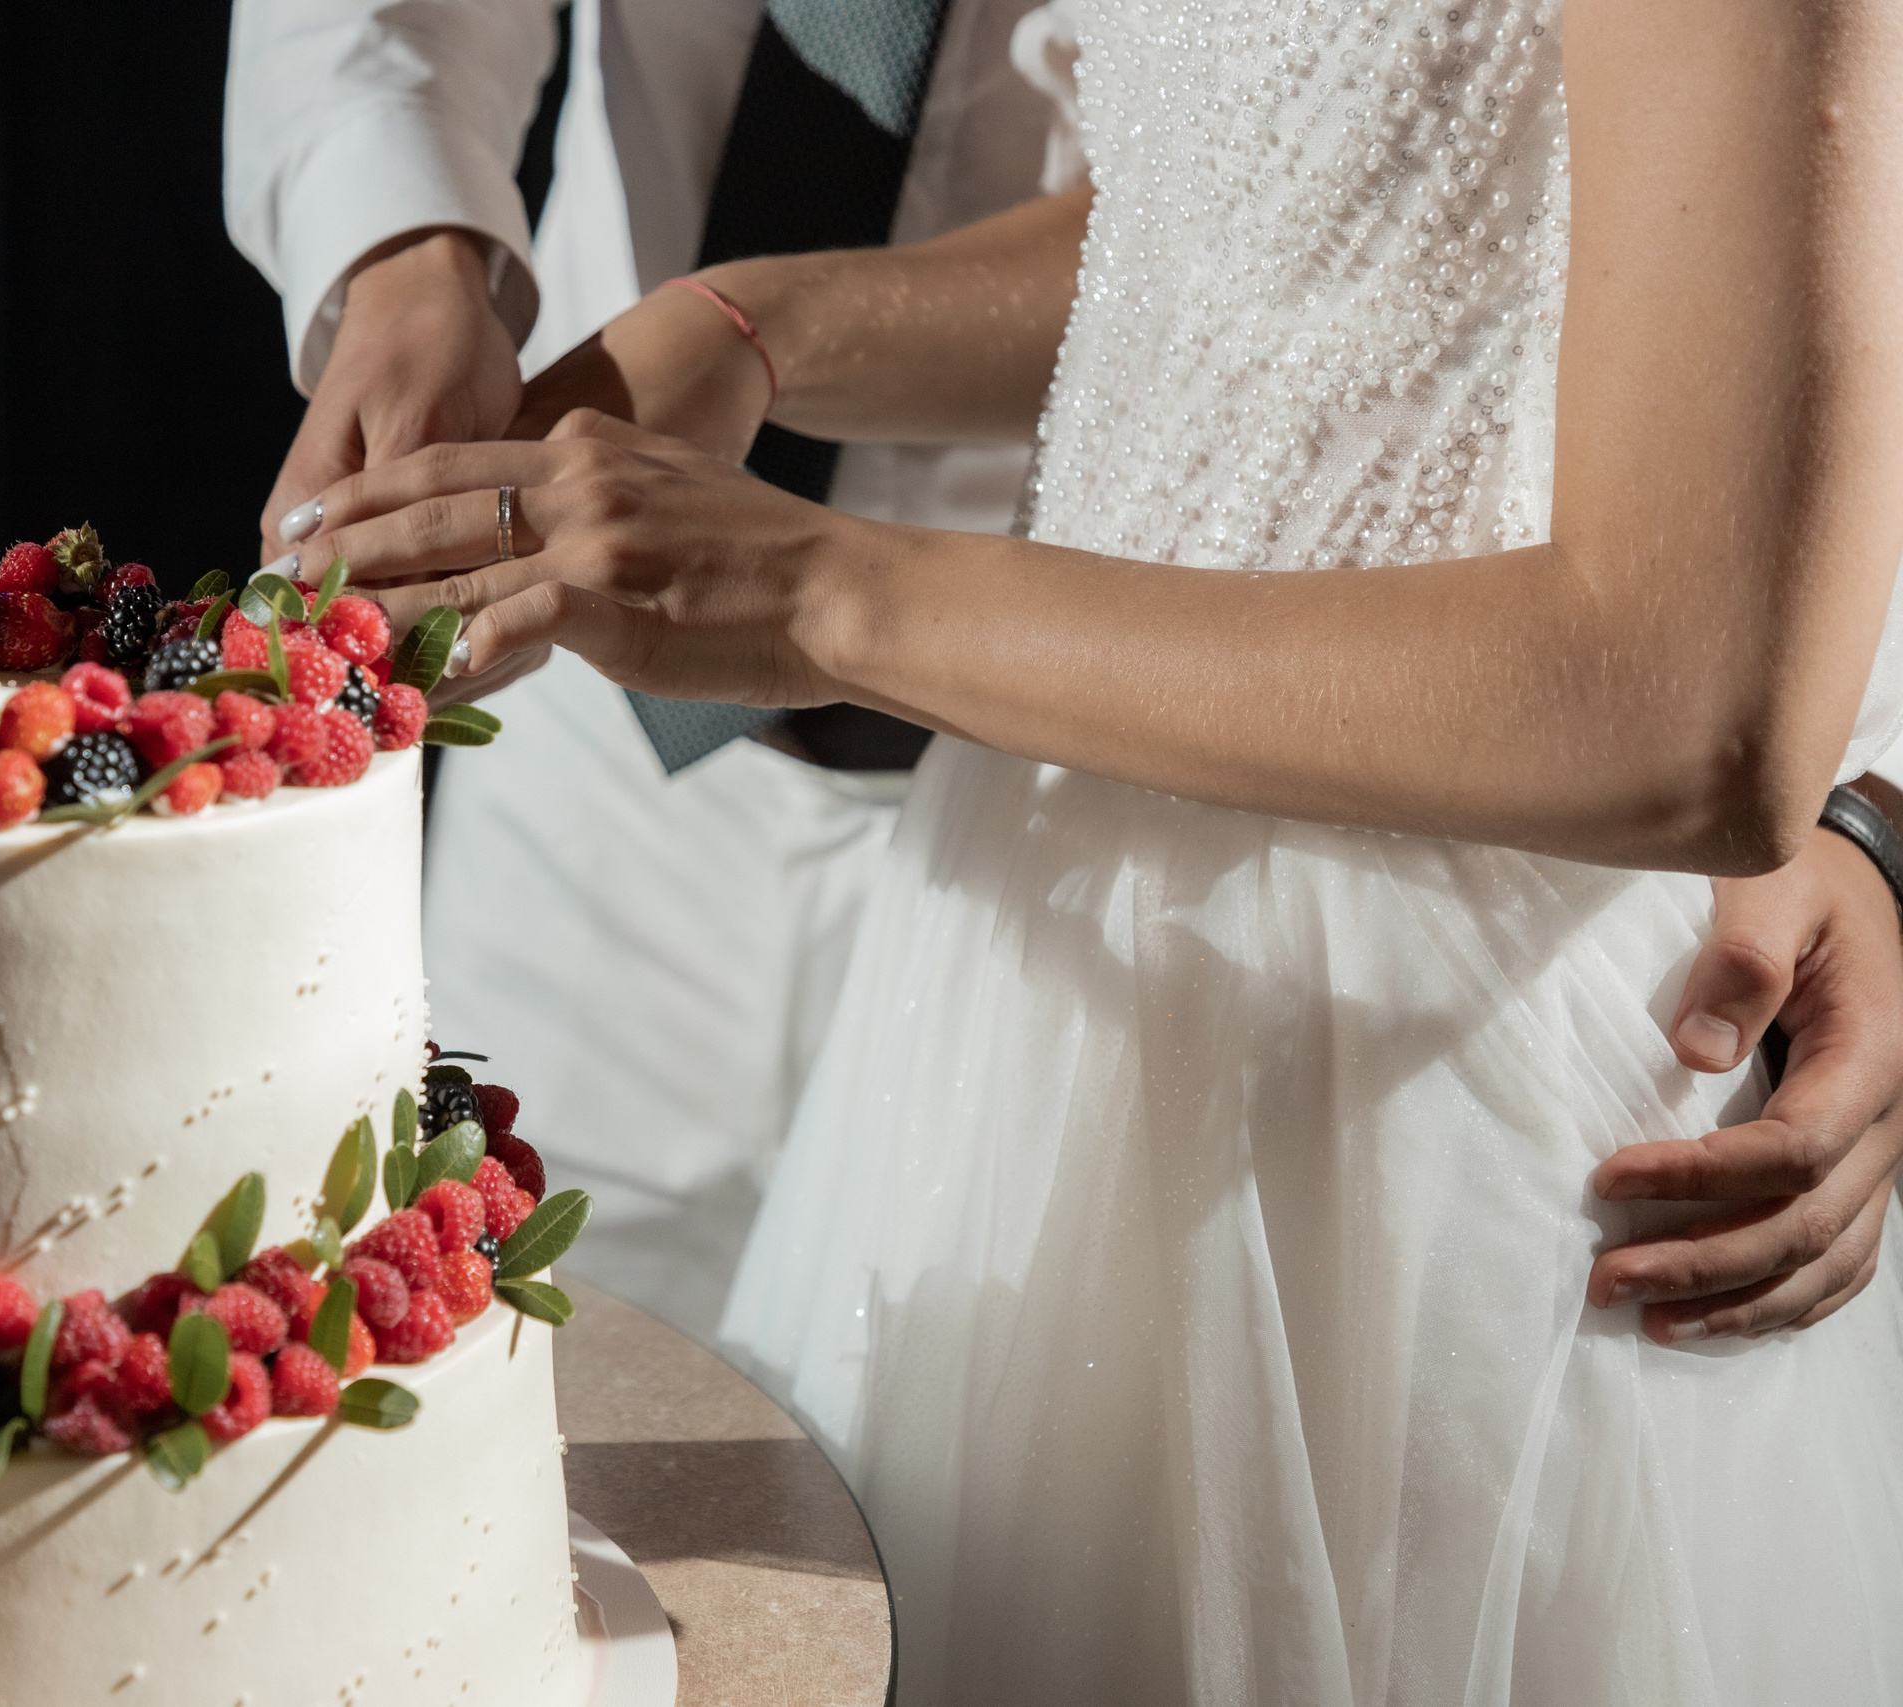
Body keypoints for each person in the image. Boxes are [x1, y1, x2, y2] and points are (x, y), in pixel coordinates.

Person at [267, 0, 1903, 1695]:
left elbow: (1696, 694)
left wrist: (822, 593)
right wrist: (761, 323)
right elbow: (1269, 199)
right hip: (1005, 962)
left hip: (1410, 1061)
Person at [225, 0, 1071, 1336]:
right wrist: (406, 256)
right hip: (584, 727)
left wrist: (752, 333)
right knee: (519, 1402)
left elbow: (1258, 214)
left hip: (1063, 747)